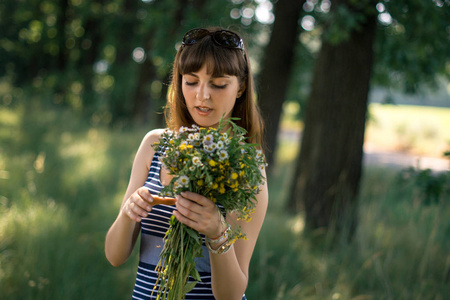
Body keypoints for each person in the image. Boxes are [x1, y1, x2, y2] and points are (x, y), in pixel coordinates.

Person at [105, 27, 269, 300]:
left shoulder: (247, 164)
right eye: (191, 81)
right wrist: (128, 212)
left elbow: (232, 293)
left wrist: (217, 232)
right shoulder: (154, 145)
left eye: (218, 84)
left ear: (240, 87)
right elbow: (114, 255)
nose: (202, 95)